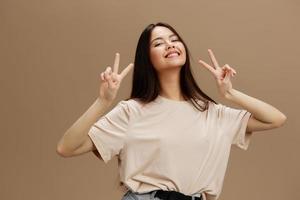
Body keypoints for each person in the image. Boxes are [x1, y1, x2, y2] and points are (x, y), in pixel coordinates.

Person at [56, 22, 287, 200]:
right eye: (158, 43)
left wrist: (230, 94)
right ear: (147, 59)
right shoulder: (131, 111)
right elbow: (67, 147)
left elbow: (276, 119)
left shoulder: (213, 113)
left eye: (174, 39)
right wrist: (103, 102)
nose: (170, 45)